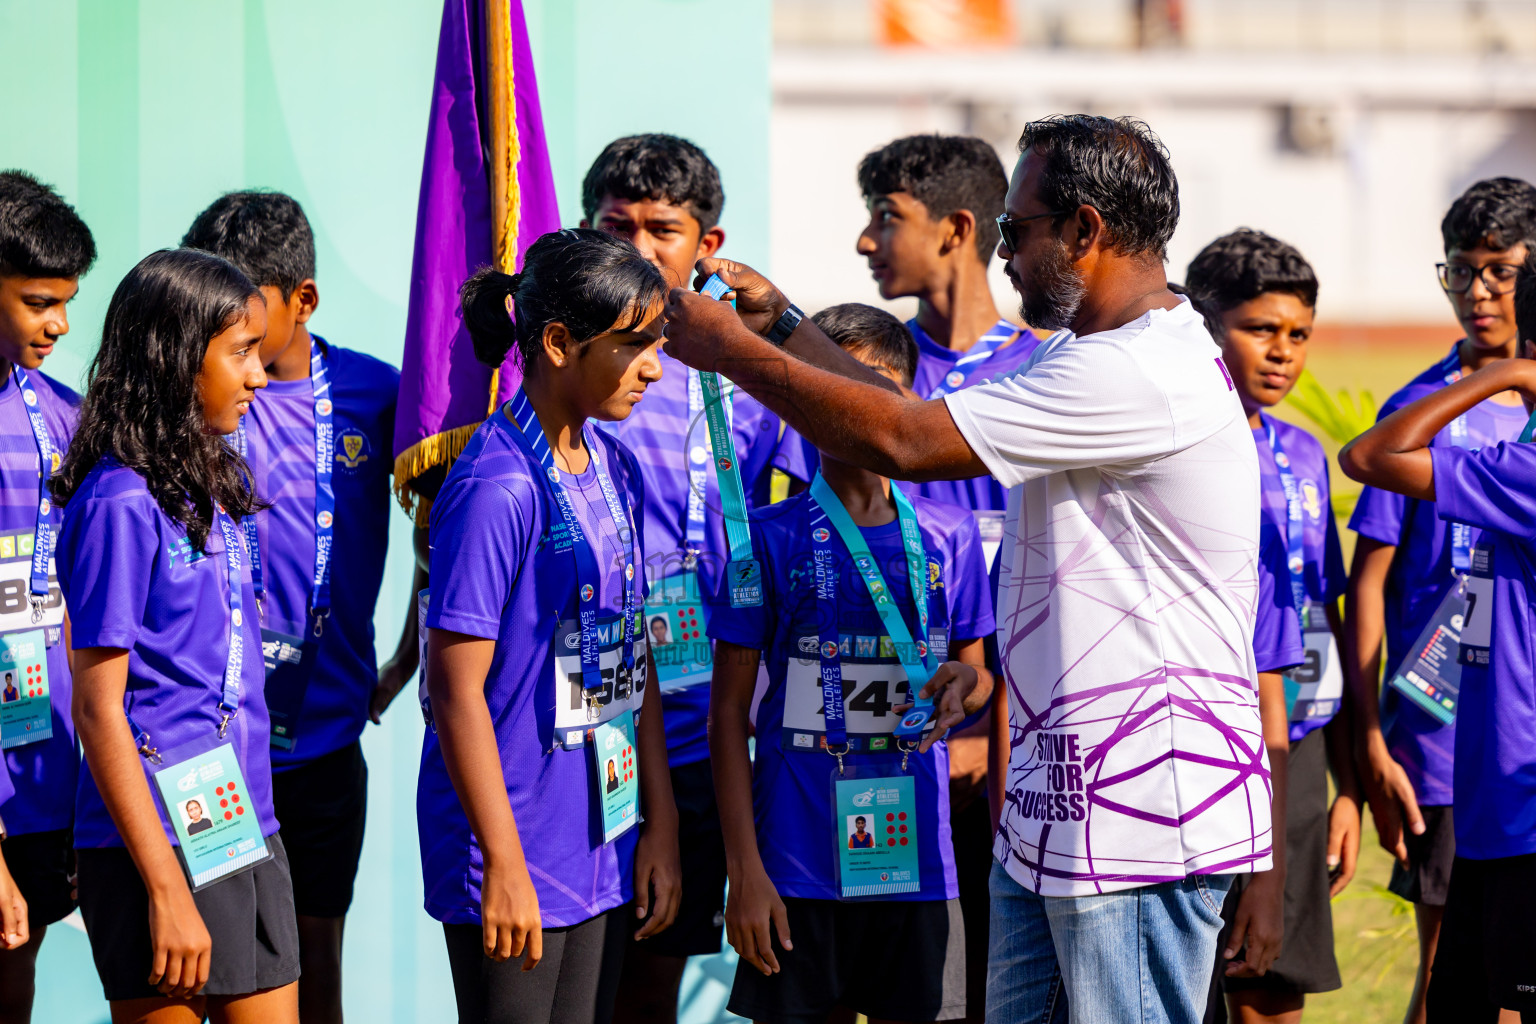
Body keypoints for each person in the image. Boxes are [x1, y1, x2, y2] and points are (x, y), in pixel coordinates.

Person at [661, 113, 1271, 1024]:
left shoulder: (1136, 373)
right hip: (1059, 809)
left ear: (1086, 230)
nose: (1001, 249)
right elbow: (910, 411)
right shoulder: (1087, 354)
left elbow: (903, 442)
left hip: (1141, 813)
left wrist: (729, 352)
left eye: (1015, 228)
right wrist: (783, 325)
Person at [419, 228, 680, 1024]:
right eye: (634, 345)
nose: (655, 368)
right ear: (559, 343)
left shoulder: (615, 464)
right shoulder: (496, 484)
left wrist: (659, 824)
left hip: (600, 836)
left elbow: (635, 661)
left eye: (657, 344)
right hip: (514, 847)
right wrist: (501, 860)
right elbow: (454, 690)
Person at [709, 302, 994, 1024]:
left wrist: (969, 684)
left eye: (877, 387)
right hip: (795, 865)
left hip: (918, 865)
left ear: (909, 402)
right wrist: (745, 871)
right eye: (829, 384)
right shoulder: (763, 543)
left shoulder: (951, 535)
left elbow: (979, 671)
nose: (855, 405)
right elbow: (726, 717)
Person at [580, 133, 808, 1024]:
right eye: (616, 226)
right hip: (587, 726)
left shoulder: (747, 373)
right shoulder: (557, 361)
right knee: (571, 984)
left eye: (662, 230)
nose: (638, 249)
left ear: (707, 246)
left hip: (709, 736)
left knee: (653, 985)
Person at [181, 190, 409, 1024]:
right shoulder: (185, 398)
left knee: (315, 966)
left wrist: (410, 656)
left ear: (301, 300)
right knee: (200, 968)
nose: (218, 319)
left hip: (323, 740)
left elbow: (445, 528)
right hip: (204, 748)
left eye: (241, 298)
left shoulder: (375, 394)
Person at [53, 248, 298, 1021]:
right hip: (152, 846)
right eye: (240, 354)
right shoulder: (118, 501)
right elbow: (99, 709)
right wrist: (161, 884)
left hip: (244, 822)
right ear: (174, 359)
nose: (259, 376)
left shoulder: (206, 481)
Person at [1344, 177, 1536, 1024]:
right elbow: (1372, 578)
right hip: (1444, 729)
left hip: (1514, 755)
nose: (1481, 293)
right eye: (1462, 273)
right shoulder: (1419, 405)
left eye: (1502, 273)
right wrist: (1372, 737)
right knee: (1446, 973)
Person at [856, 137, 1035, 1021]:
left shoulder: (1052, 366)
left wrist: (994, 727)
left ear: (958, 228)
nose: (864, 241)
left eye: (886, 217)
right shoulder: (872, 371)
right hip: (894, 747)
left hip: (1030, 748)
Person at [1185, 230, 1361, 1022]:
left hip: (1297, 740)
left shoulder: (1303, 452)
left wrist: (1349, 784)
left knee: (1274, 976)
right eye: (1260, 329)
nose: (1282, 353)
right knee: (1194, 975)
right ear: (1202, 322)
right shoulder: (1178, 442)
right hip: (1205, 731)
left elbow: (1334, 615)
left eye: (1299, 335)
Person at [0, 170, 95, 1023]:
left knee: (12, 981)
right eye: (37, 302)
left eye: (66, 302)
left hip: (44, 775)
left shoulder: (66, 414)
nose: (60, 324)